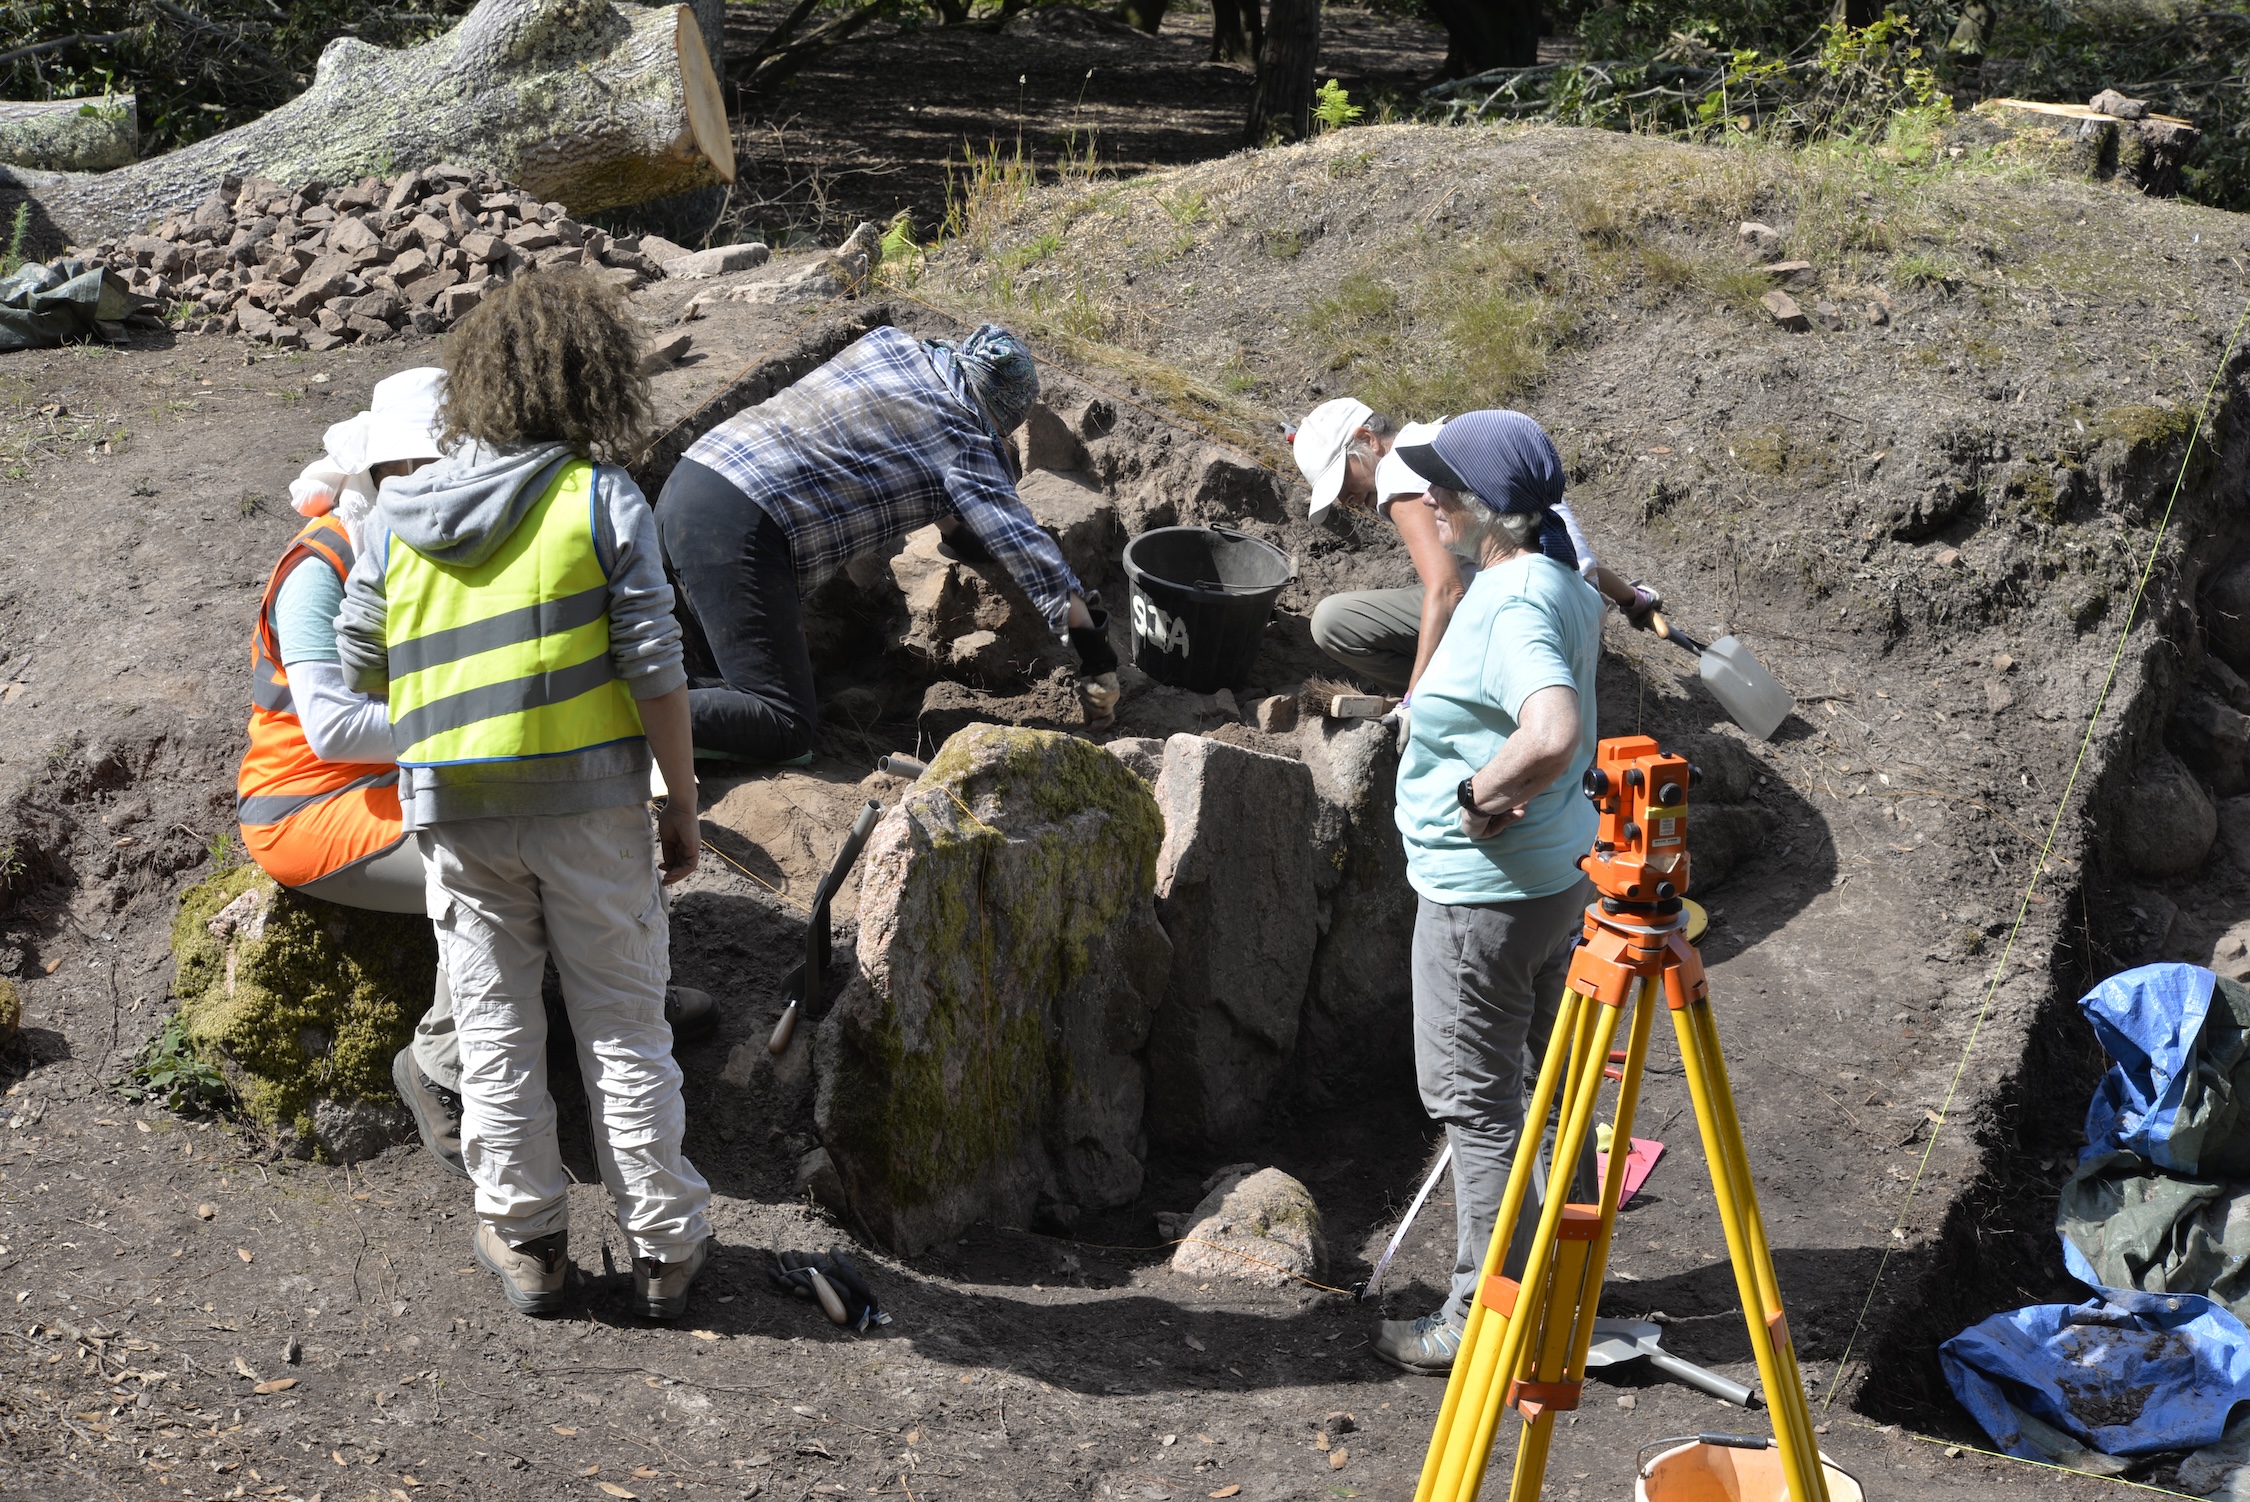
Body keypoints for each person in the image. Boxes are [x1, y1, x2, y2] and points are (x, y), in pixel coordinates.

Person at [335, 270, 713, 1321]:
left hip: (455, 810)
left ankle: (528, 1238)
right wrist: (680, 801)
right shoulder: (597, 495)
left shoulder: (398, 511)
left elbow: (359, 657)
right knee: (623, 1026)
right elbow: (655, 664)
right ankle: (666, 1247)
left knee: (495, 1023)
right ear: (590, 381)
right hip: (590, 806)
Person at [236, 369, 713, 1188]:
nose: (439, 482)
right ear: (379, 472)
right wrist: (495, 725)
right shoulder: (319, 567)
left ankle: (605, 1002)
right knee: (490, 858)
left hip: (427, 764)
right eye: (419, 467)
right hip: (315, 803)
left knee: (569, 822)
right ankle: (442, 1062)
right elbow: (333, 727)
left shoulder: (441, 535)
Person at [1372, 409, 1605, 1376]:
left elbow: (1549, 731)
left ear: (1483, 506)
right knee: (1556, 1086)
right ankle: (1569, 1284)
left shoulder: (1511, 602)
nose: (1427, 498)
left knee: (1477, 1103)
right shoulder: (1558, 578)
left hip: (1485, 900)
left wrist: (1479, 796)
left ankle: (1484, 1319)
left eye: (1443, 486)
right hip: (1555, 879)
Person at [656, 322, 1120, 752]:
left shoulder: (890, 344)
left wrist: (966, 534)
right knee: (784, 720)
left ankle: (644, 687)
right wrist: (1097, 661)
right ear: (1000, 417)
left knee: (718, 664)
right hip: (740, 531)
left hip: (690, 480)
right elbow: (1036, 561)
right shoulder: (966, 446)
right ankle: (628, 715)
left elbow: (900, 446)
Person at [1290, 398, 1660, 694]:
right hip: (1580, 631)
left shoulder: (1396, 471)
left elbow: (1447, 591)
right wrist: (1634, 600)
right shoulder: (1457, 441)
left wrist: (1416, 698)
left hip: (1527, 635)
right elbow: (1581, 563)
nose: (1344, 499)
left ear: (1368, 439)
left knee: (1332, 621)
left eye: (1342, 481)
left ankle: (1455, 697)